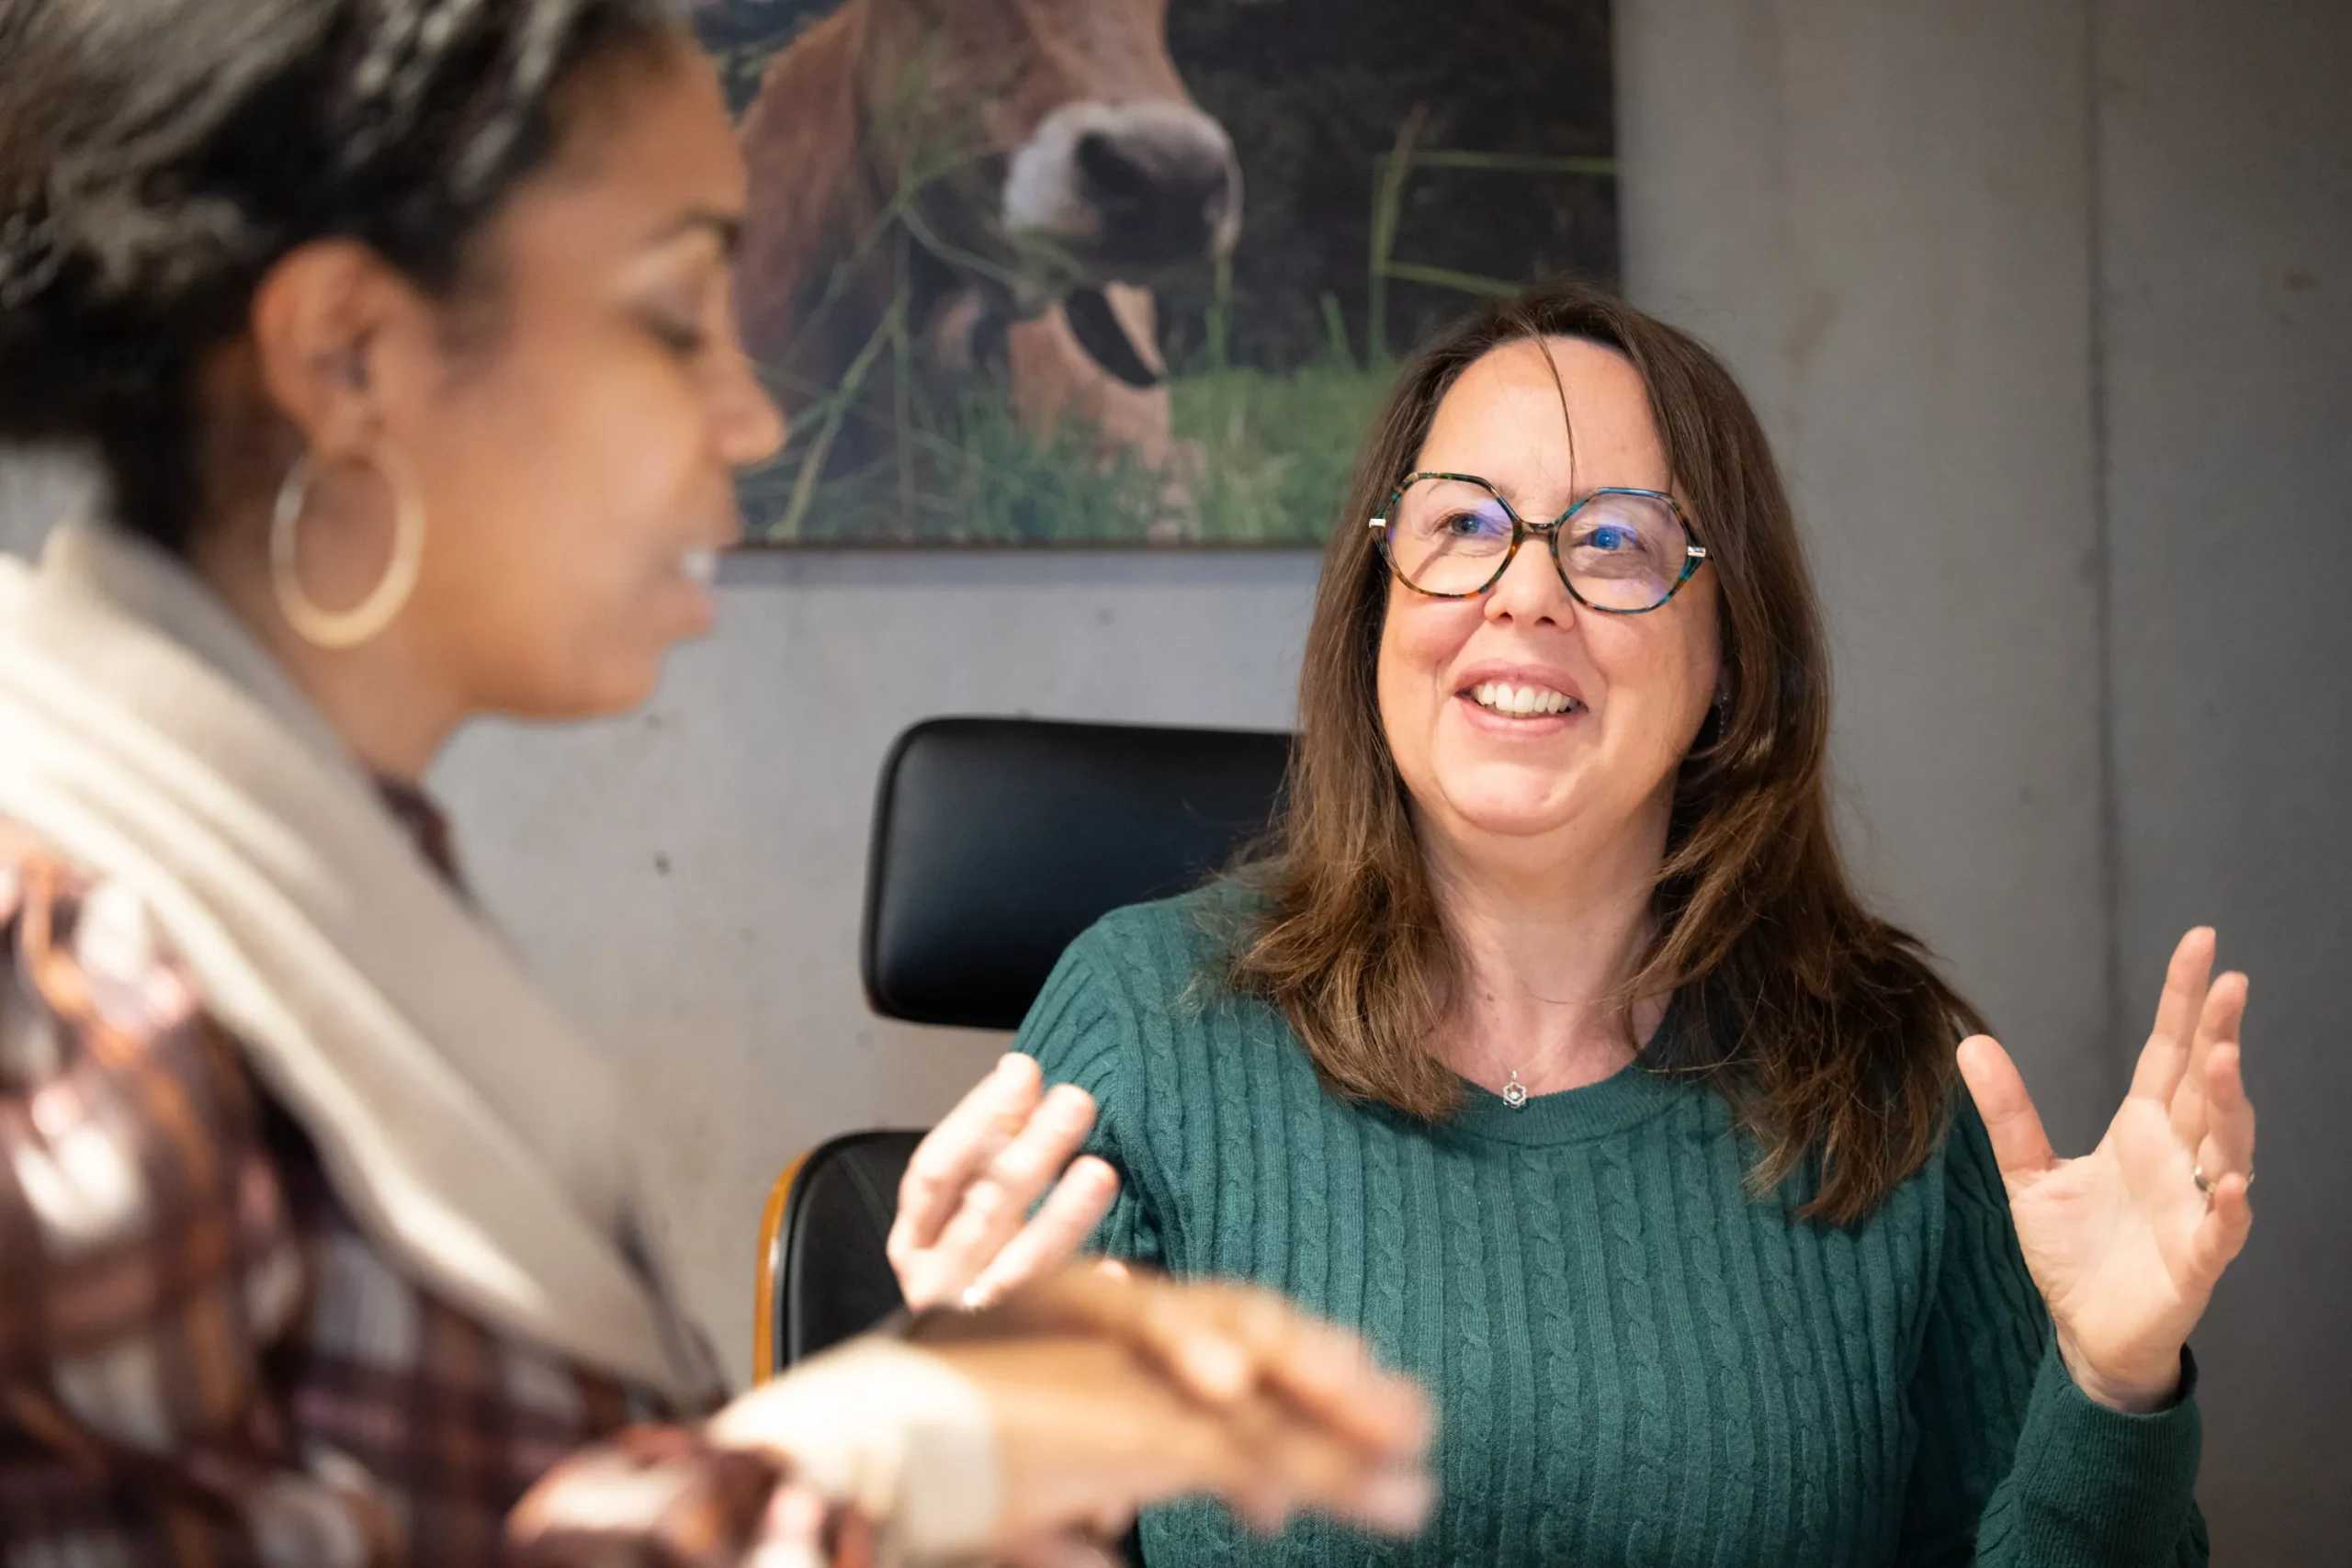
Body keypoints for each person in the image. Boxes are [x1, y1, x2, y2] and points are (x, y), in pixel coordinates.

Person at [0, 2, 1436, 1562]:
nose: (751, 411)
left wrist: (921, 1438)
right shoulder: (82, 1031)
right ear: (350, 354)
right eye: (679, 313)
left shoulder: (301, 872)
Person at [889, 281, 2257, 1565]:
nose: (1524, 590)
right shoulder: (1143, 1020)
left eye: (1615, 539)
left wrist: (2113, 1384)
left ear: (1730, 658)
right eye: (1461, 525)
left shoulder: (1889, 1072)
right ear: (1380, 612)